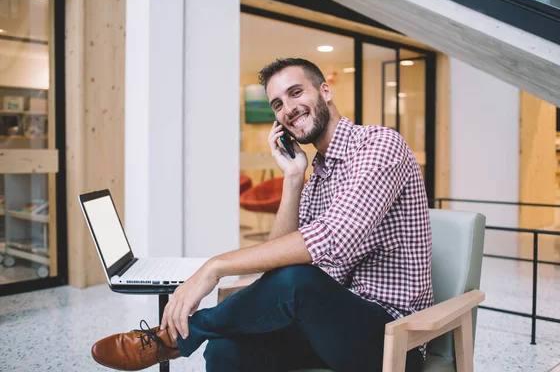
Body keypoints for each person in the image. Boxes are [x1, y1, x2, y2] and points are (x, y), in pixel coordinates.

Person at [91, 58, 433, 372]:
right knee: (225, 349)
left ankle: (173, 339)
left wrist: (214, 267)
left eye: (296, 93)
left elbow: (334, 239)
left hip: (393, 340)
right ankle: (183, 338)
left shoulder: (378, 145)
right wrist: (294, 178)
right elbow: (280, 261)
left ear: (325, 91)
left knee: (298, 283)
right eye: (278, 104)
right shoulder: (317, 174)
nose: (288, 109)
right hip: (332, 326)